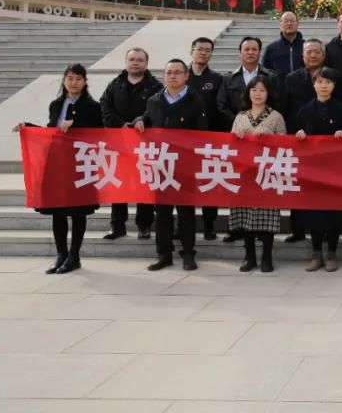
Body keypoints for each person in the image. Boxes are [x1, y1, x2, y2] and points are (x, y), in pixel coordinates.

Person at [20, 63, 102, 274]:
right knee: (57, 210)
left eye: (78, 79)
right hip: (57, 163)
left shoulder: (93, 106)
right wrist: (28, 128)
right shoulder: (56, 105)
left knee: (77, 211)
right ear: (64, 81)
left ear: (85, 82)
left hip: (79, 163)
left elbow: (99, 132)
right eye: (70, 78)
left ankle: (74, 256)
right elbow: (51, 131)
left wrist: (75, 125)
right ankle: (61, 254)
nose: (74, 82)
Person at [134, 58, 209, 271]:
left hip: (185, 166)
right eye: (169, 72)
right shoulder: (154, 100)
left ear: (186, 76)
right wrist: (139, 120)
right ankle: (164, 254)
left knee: (186, 212)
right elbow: (147, 118)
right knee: (162, 212)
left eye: (177, 72)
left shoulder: (196, 100)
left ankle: (188, 253)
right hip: (161, 165)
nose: (173, 76)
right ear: (163, 76)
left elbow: (202, 132)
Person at [217, 36, 280, 243]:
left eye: (254, 49)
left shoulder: (271, 77)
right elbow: (221, 106)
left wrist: (259, 127)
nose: (250, 52)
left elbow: (279, 103)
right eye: (246, 49)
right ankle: (236, 229)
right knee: (240, 189)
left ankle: (263, 232)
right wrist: (243, 126)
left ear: (260, 52)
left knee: (264, 189)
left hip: (265, 150)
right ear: (240, 52)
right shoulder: (228, 78)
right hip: (240, 144)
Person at [292, 66, 342, 271]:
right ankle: (316, 253)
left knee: (334, 211)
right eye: (319, 82)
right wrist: (299, 135)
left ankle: (332, 253)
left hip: (336, 169)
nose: (323, 86)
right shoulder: (304, 110)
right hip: (312, 171)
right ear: (314, 85)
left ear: (334, 85)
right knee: (313, 211)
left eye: (327, 82)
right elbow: (295, 135)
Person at [99, 47, 161, 240]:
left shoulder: (155, 86)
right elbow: (104, 106)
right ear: (126, 62)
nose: (135, 63)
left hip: (145, 143)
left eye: (139, 60)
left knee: (145, 185)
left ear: (146, 63)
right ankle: (117, 226)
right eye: (132, 59)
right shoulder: (115, 84)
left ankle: (144, 225)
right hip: (120, 143)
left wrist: (139, 121)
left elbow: (156, 110)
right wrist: (121, 124)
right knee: (119, 184)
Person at [229, 75, 286, 273]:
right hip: (245, 174)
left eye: (262, 90)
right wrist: (236, 137)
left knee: (267, 216)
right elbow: (230, 146)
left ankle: (267, 256)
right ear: (248, 93)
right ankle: (249, 256)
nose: (258, 94)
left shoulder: (276, 116)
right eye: (254, 90)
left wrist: (270, 137)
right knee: (245, 216)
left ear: (268, 93)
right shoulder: (240, 117)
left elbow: (285, 144)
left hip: (267, 173)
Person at [186, 37, 225, 242]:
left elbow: (221, 108)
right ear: (191, 51)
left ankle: (209, 225)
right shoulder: (180, 75)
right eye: (200, 49)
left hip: (210, 140)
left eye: (208, 50)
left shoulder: (217, 79)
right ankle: (185, 225)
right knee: (185, 185)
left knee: (210, 183)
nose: (203, 53)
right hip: (184, 141)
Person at [282, 39, 334, 120]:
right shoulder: (291, 79)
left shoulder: (334, 76)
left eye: (317, 52)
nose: (313, 56)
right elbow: (287, 108)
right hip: (300, 125)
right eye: (309, 52)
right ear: (303, 55)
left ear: (324, 55)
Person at [260, 11, 304, 78]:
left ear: (297, 24)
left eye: (292, 21)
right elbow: (263, 73)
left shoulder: (306, 47)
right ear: (280, 24)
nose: (289, 23)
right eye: (285, 21)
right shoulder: (270, 49)